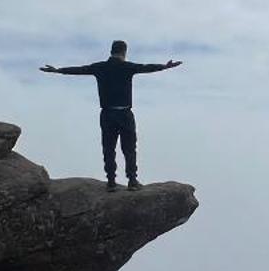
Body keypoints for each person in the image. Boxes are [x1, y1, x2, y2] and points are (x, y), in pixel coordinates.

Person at [40, 40, 182, 189]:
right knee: (129, 148)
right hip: (125, 114)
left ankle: (111, 182)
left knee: (108, 148)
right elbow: (146, 68)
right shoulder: (127, 67)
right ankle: (132, 180)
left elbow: (80, 70)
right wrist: (165, 67)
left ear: (111, 51)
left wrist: (58, 70)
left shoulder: (100, 67)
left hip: (107, 114)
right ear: (124, 52)